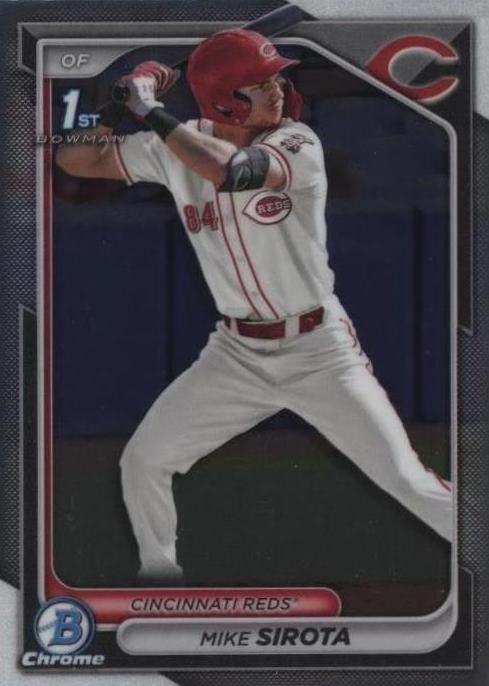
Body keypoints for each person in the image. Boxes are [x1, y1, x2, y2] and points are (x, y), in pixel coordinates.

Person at [56, 28, 453, 584]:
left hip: (319, 351)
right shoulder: (174, 147)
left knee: (408, 481)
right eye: (260, 83)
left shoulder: (297, 142)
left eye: (276, 79)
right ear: (224, 98)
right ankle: (160, 582)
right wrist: (112, 109)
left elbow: (232, 170)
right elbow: (76, 160)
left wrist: (149, 110)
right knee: (144, 460)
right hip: (236, 355)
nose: (278, 89)